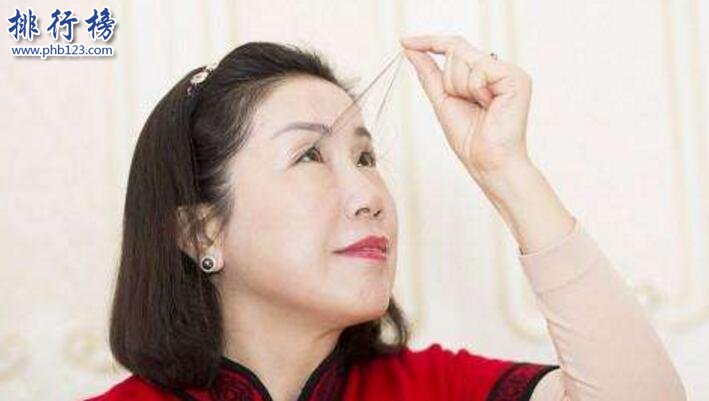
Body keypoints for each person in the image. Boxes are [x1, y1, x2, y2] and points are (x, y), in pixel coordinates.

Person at [84, 35, 686, 401]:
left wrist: (506, 169)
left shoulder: (440, 389)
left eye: (366, 158)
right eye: (310, 155)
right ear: (201, 233)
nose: (369, 195)